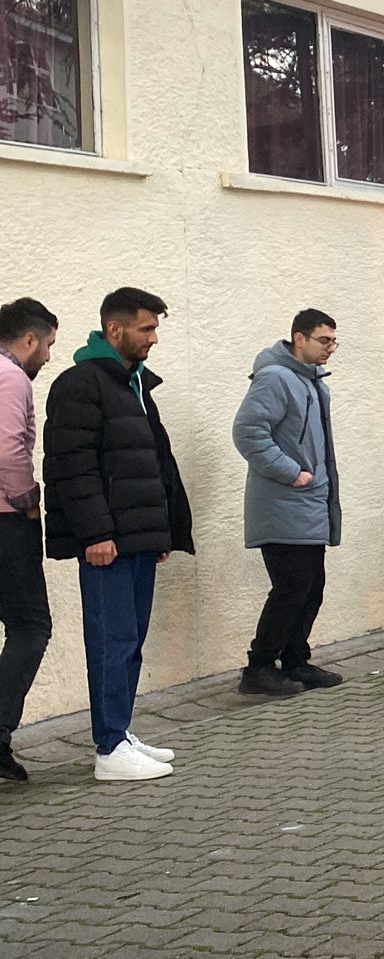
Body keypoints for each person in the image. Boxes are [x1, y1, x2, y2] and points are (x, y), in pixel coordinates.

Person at [43, 288, 192, 782]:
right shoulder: (81, 384)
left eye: (155, 329)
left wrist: (163, 530)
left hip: (138, 538)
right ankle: (108, 747)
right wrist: (96, 533)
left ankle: (121, 731)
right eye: (146, 329)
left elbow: (151, 462)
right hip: (107, 543)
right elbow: (73, 466)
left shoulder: (133, 383)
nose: (153, 338)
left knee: (130, 642)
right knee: (111, 640)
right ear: (115, 330)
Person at [233, 309, 345, 698]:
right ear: (299, 338)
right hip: (283, 504)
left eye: (334, 340)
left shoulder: (314, 384)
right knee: (291, 586)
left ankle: (296, 659)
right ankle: (259, 666)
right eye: (323, 340)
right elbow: (248, 432)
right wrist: (290, 471)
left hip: (309, 503)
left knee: (312, 584)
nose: (331, 348)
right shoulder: (275, 378)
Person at [0, 298, 58, 783]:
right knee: (31, 626)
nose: (47, 357)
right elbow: (9, 444)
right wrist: (26, 498)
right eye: (48, 346)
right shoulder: (11, 375)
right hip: (6, 520)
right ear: (30, 339)